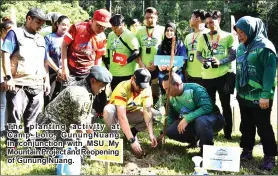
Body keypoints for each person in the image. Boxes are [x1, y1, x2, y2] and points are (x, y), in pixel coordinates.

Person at [1, 8, 50, 145]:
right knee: (14, 116)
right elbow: (5, 55)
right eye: (38, 21)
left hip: (37, 84)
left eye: (43, 22)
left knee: (34, 117)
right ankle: (13, 145)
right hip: (18, 83)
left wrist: (46, 80)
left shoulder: (41, 38)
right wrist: (8, 77)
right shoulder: (15, 34)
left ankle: (31, 143)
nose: (41, 25)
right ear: (29, 19)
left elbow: (44, 61)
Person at [234, 16, 277, 171]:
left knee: (263, 126)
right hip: (243, 95)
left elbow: (269, 73)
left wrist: (265, 95)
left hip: (260, 96)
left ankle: (270, 157)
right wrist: (237, 88)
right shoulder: (241, 47)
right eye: (237, 32)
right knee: (246, 125)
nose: (239, 35)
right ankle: (247, 150)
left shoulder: (265, 47)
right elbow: (239, 69)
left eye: (242, 32)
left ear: (251, 30)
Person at [36, 66, 112, 141]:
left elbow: (85, 117)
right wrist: (89, 147)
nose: (103, 89)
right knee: (72, 149)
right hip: (54, 124)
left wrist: (91, 135)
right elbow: (80, 127)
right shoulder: (81, 95)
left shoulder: (87, 86)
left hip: (64, 123)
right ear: (93, 81)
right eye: (102, 86)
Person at [61, 9, 111, 115]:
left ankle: (82, 126)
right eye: (98, 25)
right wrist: (64, 67)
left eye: (104, 27)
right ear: (92, 20)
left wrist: (97, 76)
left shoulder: (102, 37)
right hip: (71, 71)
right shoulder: (78, 28)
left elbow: (98, 57)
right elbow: (64, 45)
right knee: (68, 100)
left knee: (85, 102)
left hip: (88, 73)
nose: (101, 29)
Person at [161, 72, 224, 155]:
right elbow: (171, 116)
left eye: (167, 89)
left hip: (213, 120)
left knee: (201, 121)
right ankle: (194, 141)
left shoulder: (195, 89)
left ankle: (206, 151)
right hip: (193, 122)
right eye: (164, 89)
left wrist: (187, 118)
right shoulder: (170, 97)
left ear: (177, 84)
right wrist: (163, 133)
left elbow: (207, 107)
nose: (166, 92)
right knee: (170, 131)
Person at [196, 10, 236, 140]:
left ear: (218, 20)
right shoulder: (203, 37)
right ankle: (213, 130)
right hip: (207, 77)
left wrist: (220, 62)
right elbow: (198, 55)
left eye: (211, 22)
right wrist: (204, 61)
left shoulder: (228, 36)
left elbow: (233, 55)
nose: (209, 25)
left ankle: (228, 132)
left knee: (225, 105)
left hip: (223, 76)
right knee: (210, 105)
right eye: (207, 23)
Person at [103, 68, 158, 155]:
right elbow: (122, 117)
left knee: (156, 114)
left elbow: (147, 111)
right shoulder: (122, 88)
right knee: (108, 110)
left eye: (143, 87)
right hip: (117, 114)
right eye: (139, 86)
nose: (141, 89)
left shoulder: (146, 89)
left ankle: (132, 132)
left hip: (131, 113)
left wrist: (151, 133)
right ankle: (113, 136)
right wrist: (132, 141)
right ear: (133, 79)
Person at [136, 7, 164, 104]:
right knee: (143, 90)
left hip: (157, 67)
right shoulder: (139, 31)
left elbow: (165, 51)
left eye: (151, 17)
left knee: (155, 91)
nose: (149, 20)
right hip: (143, 67)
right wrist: (141, 64)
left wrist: (156, 63)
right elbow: (136, 50)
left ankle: (156, 111)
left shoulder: (162, 30)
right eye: (147, 17)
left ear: (157, 17)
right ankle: (142, 111)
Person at [106, 14, 140, 91]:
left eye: (117, 27)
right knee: (115, 96)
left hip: (127, 73)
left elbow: (136, 52)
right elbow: (108, 51)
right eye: (112, 27)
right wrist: (107, 66)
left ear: (123, 25)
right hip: (114, 73)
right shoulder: (111, 35)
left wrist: (126, 61)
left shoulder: (129, 35)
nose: (114, 30)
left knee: (126, 97)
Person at [44, 15, 70, 106]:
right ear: (57, 24)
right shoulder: (49, 38)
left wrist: (63, 71)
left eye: (67, 25)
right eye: (63, 24)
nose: (65, 27)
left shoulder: (70, 38)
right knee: (49, 101)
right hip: (52, 74)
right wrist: (58, 70)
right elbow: (46, 57)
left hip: (66, 75)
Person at [157, 22, 187, 95]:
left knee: (177, 95)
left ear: (175, 32)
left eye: (171, 30)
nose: (169, 32)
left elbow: (183, 60)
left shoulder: (180, 44)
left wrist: (173, 69)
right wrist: (160, 67)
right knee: (165, 95)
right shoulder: (161, 45)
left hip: (176, 75)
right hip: (163, 76)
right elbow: (158, 60)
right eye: (167, 30)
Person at [184, 9, 208, 85]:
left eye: (191, 17)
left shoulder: (209, 34)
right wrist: (185, 70)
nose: (190, 20)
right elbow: (185, 55)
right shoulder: (188, 37)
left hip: (206, 75)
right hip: (190, 75)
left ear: (198, 19)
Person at [0, 17, 14, 137]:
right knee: (2, 104)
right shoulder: (2, 43)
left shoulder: (9, 42)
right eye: (9, 30)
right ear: (3, 31)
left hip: (7, 77)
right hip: (3, 77)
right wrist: (4, 78)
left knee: (4, 104)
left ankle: (3, 127)